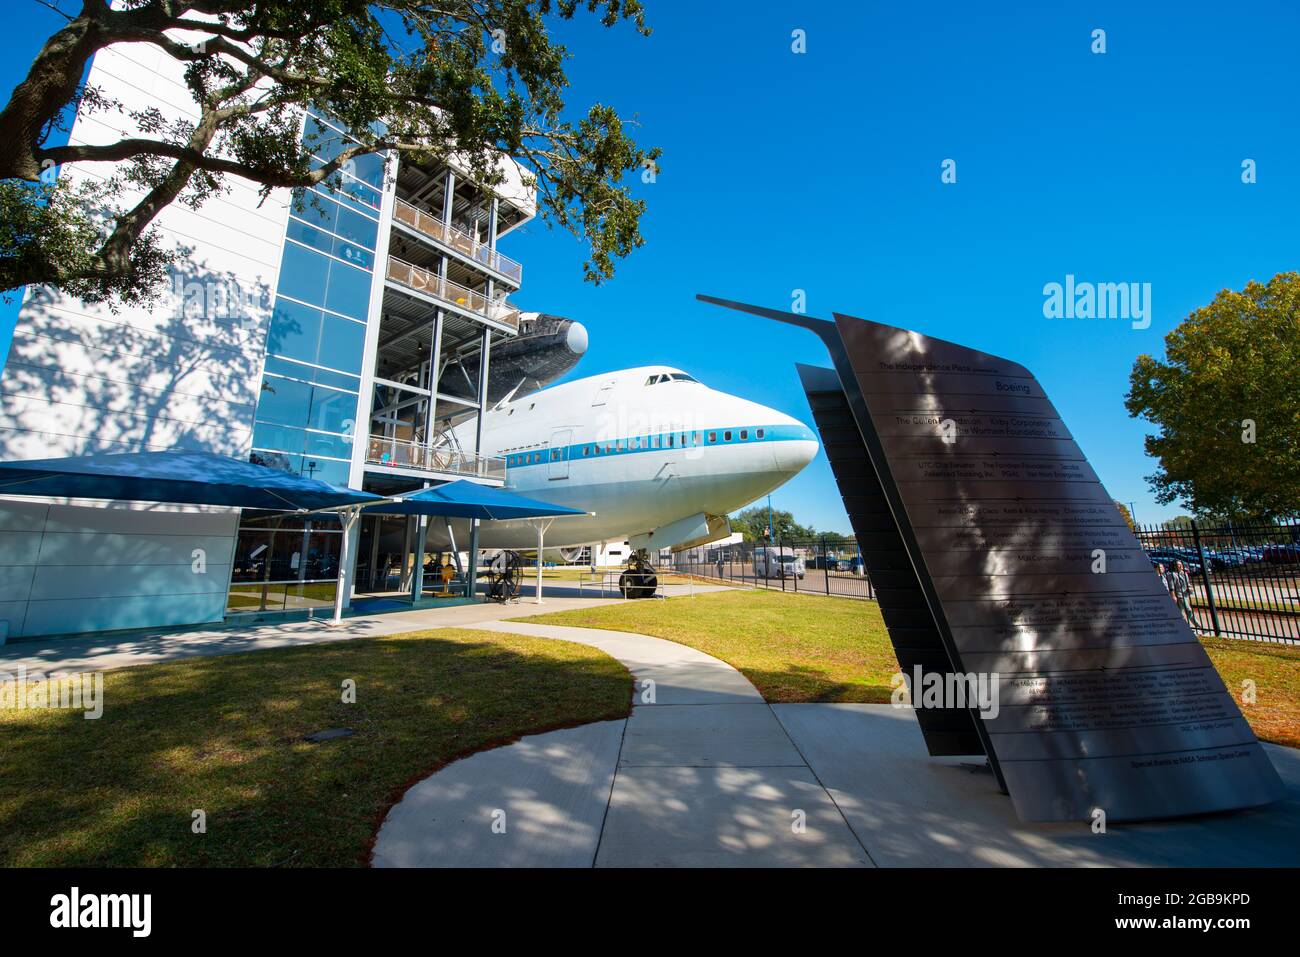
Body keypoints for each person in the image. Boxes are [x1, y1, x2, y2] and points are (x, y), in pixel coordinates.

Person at [1166, 560, 1197, 630]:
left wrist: (1190, 588)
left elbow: (1188, 584)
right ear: (1174, 566)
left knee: (1180, 611)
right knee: (1189, 610)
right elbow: (1171, 587)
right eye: (1178, 565)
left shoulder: (1184, 574)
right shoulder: (1172, 574)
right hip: (1179, 595)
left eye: (1181, 564)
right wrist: (1173, 596)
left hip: (1185, 594)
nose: (1180, 566)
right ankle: (1198, 626)